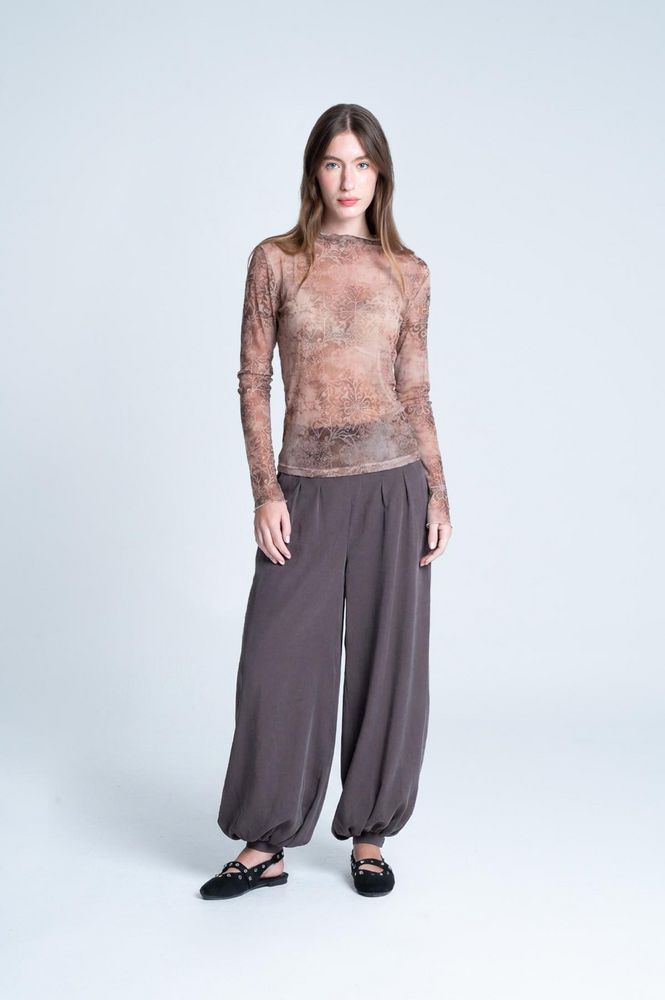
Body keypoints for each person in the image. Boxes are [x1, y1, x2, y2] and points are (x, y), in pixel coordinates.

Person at [200, 103, 453, 901]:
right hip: (304, 488)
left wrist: (438, 493)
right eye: (335, 162)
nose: (349, 179)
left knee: (388, 664)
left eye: (363, 164)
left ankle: (370, 834)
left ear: (381, 175)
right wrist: (264, 489)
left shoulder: (407, 271)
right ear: (314, 171)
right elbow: (253, 380)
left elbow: (415, 390)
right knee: (276, 664)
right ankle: (265, 844)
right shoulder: (277, 260)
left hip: (393, 485)